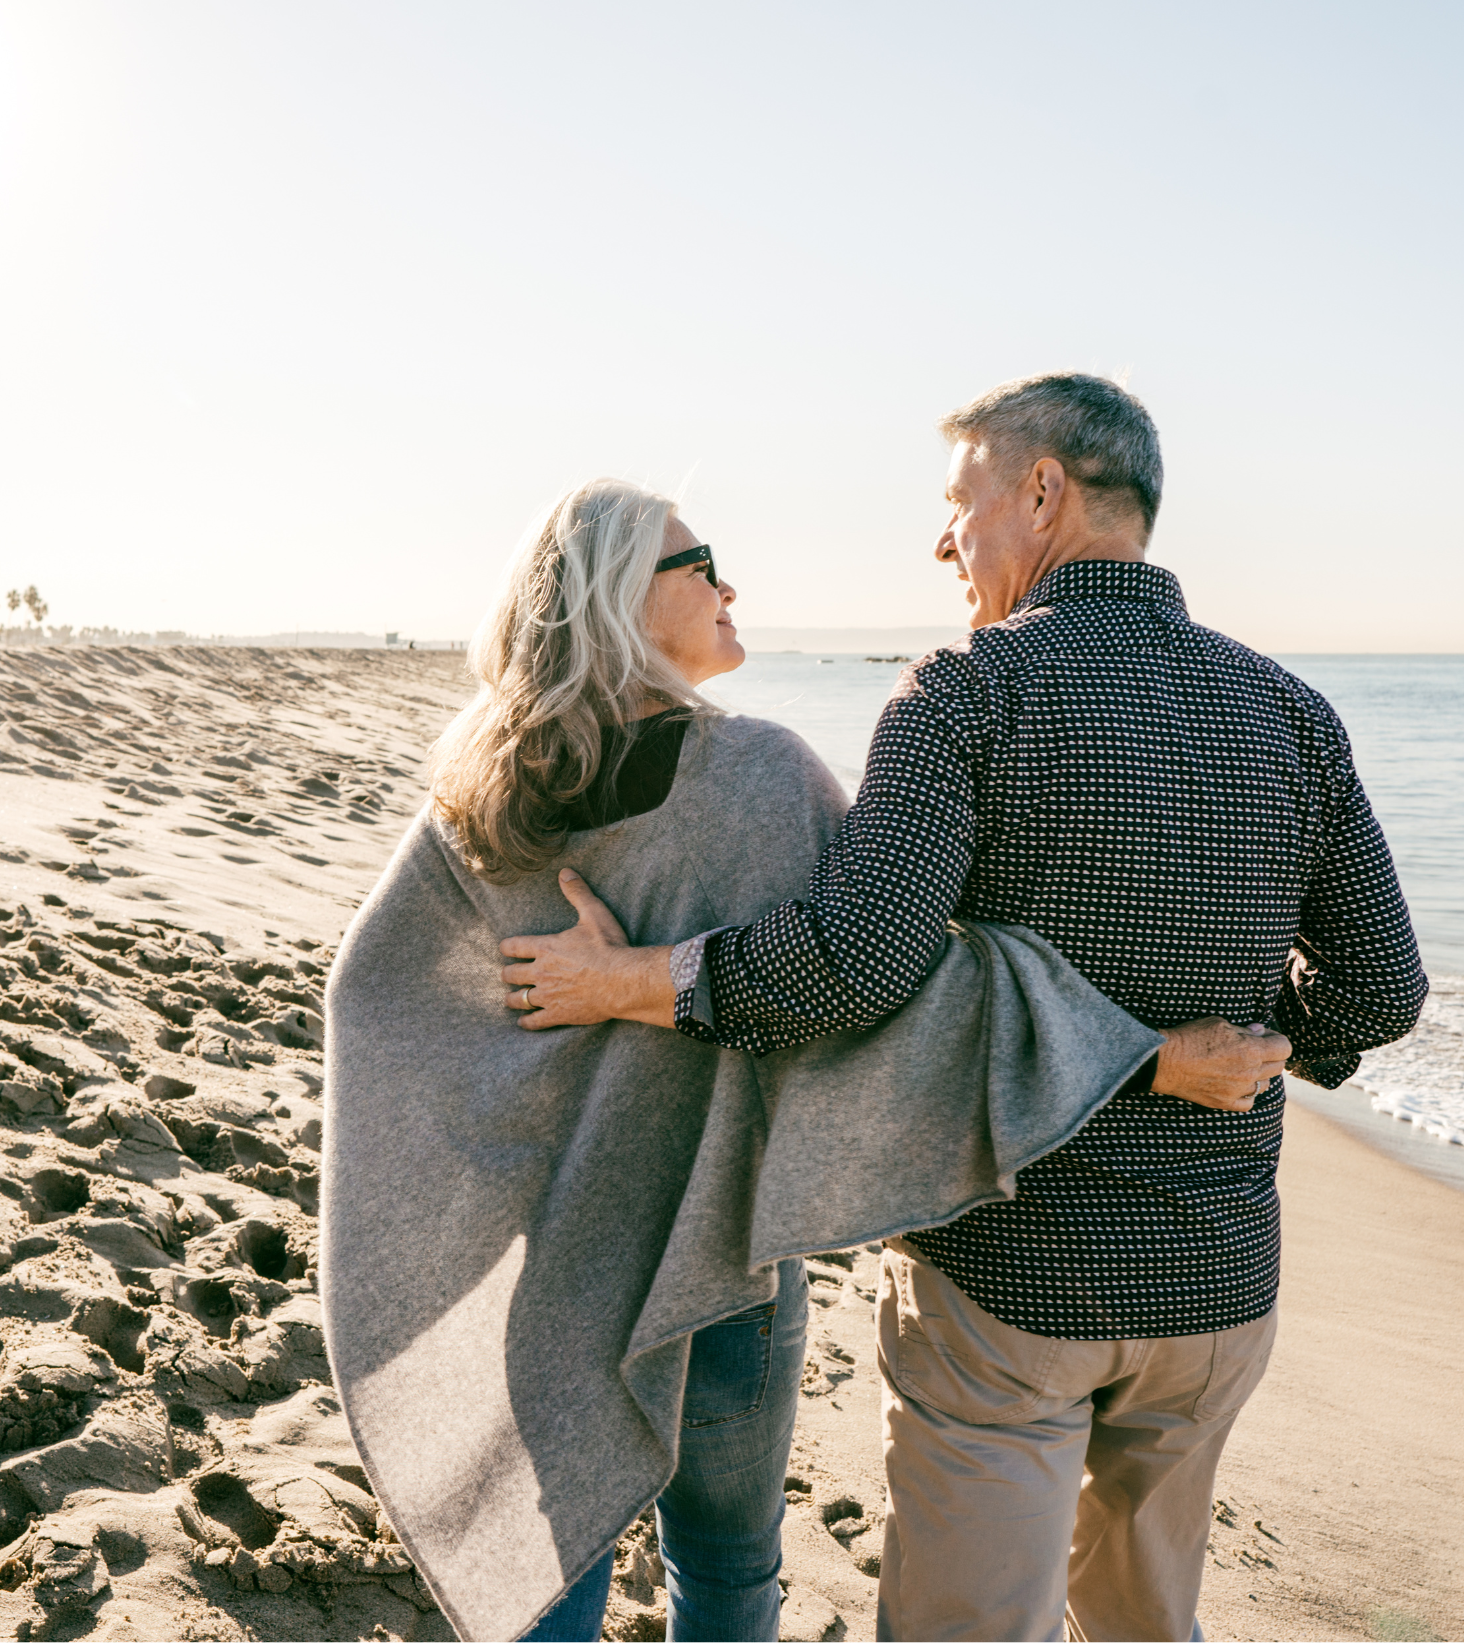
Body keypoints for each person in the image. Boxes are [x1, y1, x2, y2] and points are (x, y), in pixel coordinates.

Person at [498, 374, 1428, 1643]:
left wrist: (636, 981)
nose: (945, 539)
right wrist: (1269, 1046)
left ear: (1042, 492)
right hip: (1218, 1281)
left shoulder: (969, 693)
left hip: (1012, 1281)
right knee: (1150, 1624)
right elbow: (1384, 988)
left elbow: (855, 965)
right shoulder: (1290, 711)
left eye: (959, 500)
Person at [323, 474, 1285, 1643]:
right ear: (624, 597)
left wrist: (515, 1122)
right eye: (701, 563)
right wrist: (1147, 1059)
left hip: (554, 1252)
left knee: (548, 1559)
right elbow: (905, 989)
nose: (730, 585)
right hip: (721, 1246)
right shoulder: (761, 777)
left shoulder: (479, 789)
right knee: (726, 1567)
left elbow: (377, 1002)